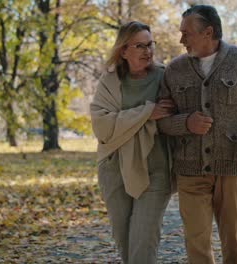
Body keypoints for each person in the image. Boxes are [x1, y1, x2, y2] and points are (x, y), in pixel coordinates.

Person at [157, 5, 237, 264]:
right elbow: (161, 121)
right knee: (196, 242)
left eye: (186, 33)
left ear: (208, 32)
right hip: (189, 170)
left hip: (233, 168)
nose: (181, 40)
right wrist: (186, 123)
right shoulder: (174, 70)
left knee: (233, 239)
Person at [89, 21, 174, 264]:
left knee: (144, 240)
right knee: (125, 241)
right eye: (140, 46)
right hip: (114, 166)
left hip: (155, 167)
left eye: (150, 44)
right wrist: (148, 113)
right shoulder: (109, 81)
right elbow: (102, 127)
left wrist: (130, 120)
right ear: (124, 51)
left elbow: (172, 116)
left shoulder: (164, 77)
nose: (148, 51)